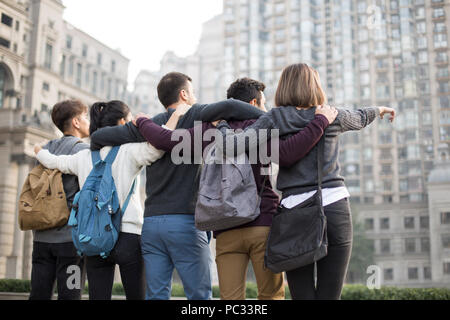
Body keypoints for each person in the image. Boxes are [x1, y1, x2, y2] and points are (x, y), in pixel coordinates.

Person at [201, 63, 396, 300]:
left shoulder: (274, 118)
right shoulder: (331, 114)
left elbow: (231, 146)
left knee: (301, 295)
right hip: (335, 207)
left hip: (294, 212)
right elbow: (359, 117)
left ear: (283, 88)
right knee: (329, 295)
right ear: (315, 86)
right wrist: (379, 109)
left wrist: (221, 124)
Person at [133, 77, 338, 300]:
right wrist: (319, 121)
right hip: (263, 223)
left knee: (231, 299)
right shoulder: (265, 126)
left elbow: (166, 140)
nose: (266, 108)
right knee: (271, 296)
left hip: (225, 226)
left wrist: (143, 121)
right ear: (253, 103)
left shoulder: (210, 130)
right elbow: (289, 152)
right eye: (263, 103)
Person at [87, 72, 265, 300]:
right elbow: (231, 105)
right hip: (185, 222)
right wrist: (270, 116)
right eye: (192, 92)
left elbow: (100, 136)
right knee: (199, 297)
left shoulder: (147, 125)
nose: (195, 96)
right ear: (184, 94)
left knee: (156, 296)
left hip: (151, 225)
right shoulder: (197, 113)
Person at [33, 100, 184, 300]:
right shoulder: (130, 151)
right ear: (123, 123)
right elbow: (159, 144)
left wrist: (39, 151)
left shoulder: (84, 156)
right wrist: (176, 116)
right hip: (129, 236)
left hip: (94, 238)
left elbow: (55, 162)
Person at [29, 100, 90, 300]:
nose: (89, 122)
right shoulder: (82, 151)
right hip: (69, 243)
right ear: (76, 122)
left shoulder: (44, 150)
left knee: (38, 295)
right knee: (70, 295)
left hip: (41, 240)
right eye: (85, 117)